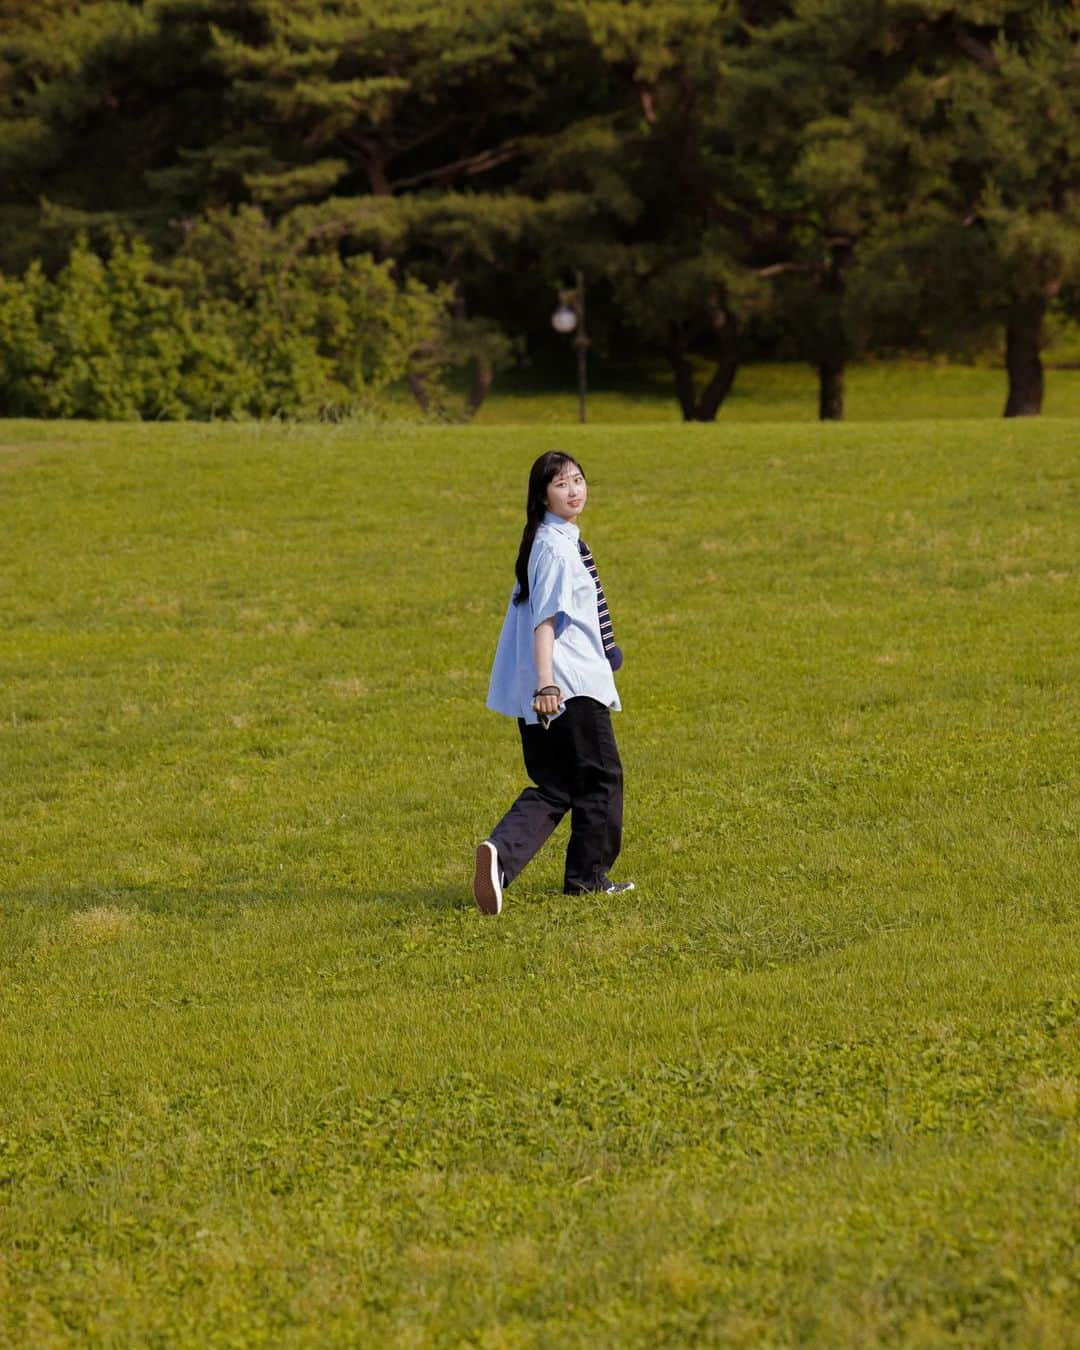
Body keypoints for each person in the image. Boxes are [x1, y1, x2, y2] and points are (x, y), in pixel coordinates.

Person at [473, 450, 634, 915]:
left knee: (556, 785)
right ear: (542, 494)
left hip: (541, 687)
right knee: (602, 779)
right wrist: (548, 685)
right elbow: (546, 621)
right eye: (562, 484)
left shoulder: (542, 541)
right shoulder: (558, 548)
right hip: (567, 686)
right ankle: (588, 880)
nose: (574, 490)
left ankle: (499, 855)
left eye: (579, 480)